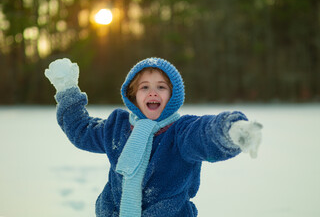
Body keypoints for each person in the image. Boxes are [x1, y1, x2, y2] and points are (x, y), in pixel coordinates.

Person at [45, 57, 262, 217]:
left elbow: (205, 132)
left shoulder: (181, 132)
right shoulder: (117, 127)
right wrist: (67, 90)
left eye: (161, 87)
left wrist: (230, 130)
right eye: (144, 87)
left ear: (173, 95)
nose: (152, 92)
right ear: (132, 95)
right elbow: (82, 130)